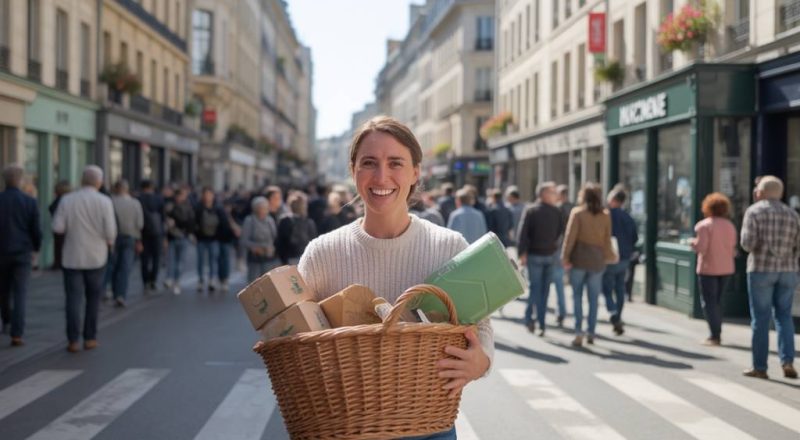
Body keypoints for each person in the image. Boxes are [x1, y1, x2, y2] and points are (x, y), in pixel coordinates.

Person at [298, 116, 493, 440]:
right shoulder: (321, 253)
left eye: (395, 163)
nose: (381, 176)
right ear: (353, 170)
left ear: (416, 172)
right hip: (344, 428)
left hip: (429, 428)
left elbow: (482, 328)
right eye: (369, 163)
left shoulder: (449, 246)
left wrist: (480, 362)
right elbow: (296, 342)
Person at [740, 176, 799, 379]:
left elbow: (747, 244)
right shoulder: (792, 214)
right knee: (784, 316)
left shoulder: (754, 211)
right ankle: (787, 361)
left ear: (761, 192)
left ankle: (760, 367)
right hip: (788, 269)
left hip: (761, 269)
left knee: (761, 318)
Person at [52, 166, 117, 352]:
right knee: (93, 298)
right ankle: (90, 337)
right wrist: (109, 244)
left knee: (73, 299)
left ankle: (73, 340)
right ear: (99, 182)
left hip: (72, 256)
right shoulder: (104, 201)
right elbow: (110, 231)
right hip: (96, 256)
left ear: (82, 180)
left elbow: (57, 227)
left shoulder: (67, 200)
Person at [562, 182, 616, 347]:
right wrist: (610, 256)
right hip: (597, 260)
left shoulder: (578, 213)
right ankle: (591, 332)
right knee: (593, 299)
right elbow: (607, 239)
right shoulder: (605, 215)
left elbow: (570, 237)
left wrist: (565, 257)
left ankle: (578, 331)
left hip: (579, 258)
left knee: (577, 296)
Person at [516, 181, 565, 335]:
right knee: (539, 290)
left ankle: (533, 320)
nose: (555, 195)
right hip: (539, 255)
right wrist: (522, 254)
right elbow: (523, 234)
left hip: (546, 256)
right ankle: (536, 321)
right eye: (552, 192)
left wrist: (522, 253)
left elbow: (523, 234)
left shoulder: (552, 211)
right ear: (543, 194)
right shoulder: (534, 210)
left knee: (539, 290)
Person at [0, 165, 41, 345]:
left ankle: (7, 321)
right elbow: (36, 229)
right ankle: (17, 333)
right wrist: (36, 248)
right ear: (20, 181)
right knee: (20, 292)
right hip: (22, 252)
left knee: (3, 291)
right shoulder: (29, 201)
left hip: (1, 252)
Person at [689, 192, 737, 346]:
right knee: (717, 301)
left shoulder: (704, 225)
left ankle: (714, 335)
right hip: (726, 268)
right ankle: (717, 331)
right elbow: (733, 248)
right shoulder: (730, 226)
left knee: (709, 302)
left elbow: (702, 247)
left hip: (709, 268)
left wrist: (692, 243)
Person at [602, 187, 639, 336]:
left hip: (610, 257)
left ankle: (613, 312)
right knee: (620, 288)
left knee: (606, 287)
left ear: (612, 199)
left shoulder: (606, 215)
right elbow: (635, 238)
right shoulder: (628, 217)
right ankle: (617, 315)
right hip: (624, 257)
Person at [108, 180, 143, 307]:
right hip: (130, 237)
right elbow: (140, 224)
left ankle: (113, 291)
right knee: (125, 267)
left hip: (113, 237)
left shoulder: (111, 202)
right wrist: (139, 240)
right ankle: (121, 294)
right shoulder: (135, 203)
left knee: (113, 266)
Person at [164, 187, 195, 295]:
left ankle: (176, 281)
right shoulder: (170, 206)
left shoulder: (187, 206)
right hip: (173, 237)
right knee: (171, 260)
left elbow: (190, 222)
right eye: (182, 195)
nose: (183, 197)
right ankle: (170, 279)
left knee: (179, 262)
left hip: (183, 237)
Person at [241, 197, 279, 282]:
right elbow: (244, 240)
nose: (263, 211)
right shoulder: (249, 220)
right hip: (254, 257)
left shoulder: (270, 220)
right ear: (255, 209)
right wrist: (255, 248)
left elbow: (274, 237)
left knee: (267, 282)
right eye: (260, 208)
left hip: (268, 256)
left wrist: (271, 247)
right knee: (253, 282)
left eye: (265, 208)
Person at [195, 187, 225, 292]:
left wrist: (220, 236)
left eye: (209, 194)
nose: (207, 197)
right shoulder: (198, 207)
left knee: (213, 260)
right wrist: (195, 234)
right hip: (201, 238)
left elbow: (223, 223)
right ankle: (201, 280)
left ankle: (212, 280)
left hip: (214, 239)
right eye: (206, 194)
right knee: (200, 261)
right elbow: (194, 222)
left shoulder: (218, 208)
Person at [137, 180, 164, 293]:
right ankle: (153, 280)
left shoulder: (138, 199)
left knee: (144, 259)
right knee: (156, 258)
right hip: (157, 232)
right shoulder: (158, 199)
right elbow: (163, 217)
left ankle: (146, 281)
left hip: (143, 232)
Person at [277, 192, 317, 265]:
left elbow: (280, 243)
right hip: (304, 258)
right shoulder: (309, 222)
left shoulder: (284, 220)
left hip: (290, 258)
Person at [216, 200, 240, 292]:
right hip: (219, 239)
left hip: (227, 240)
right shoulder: (220, 214)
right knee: (220, 260)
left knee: (225, 260)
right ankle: (221, 278)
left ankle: (224, 279)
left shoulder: (232, 215)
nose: (227, 209)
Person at [49, 180, 71, 270]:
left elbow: (52, 208)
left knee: (59, 246)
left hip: (62, 227)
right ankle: (59, 262)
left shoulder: (62, 200)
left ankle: (58, 263)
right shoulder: (67, 199)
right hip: (64, 227)